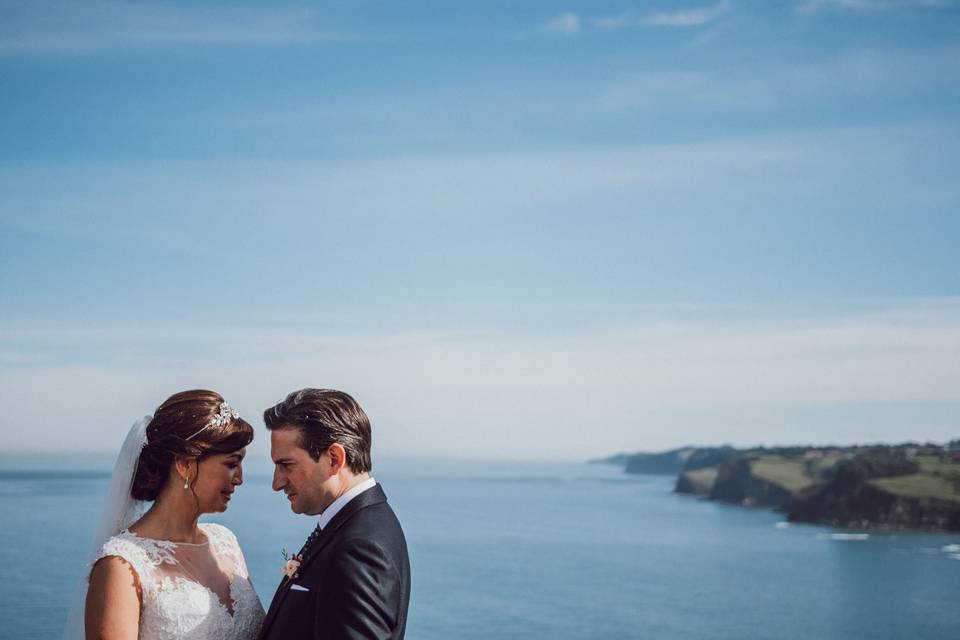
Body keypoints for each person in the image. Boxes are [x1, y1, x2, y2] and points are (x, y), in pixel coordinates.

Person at [68, 390, 265, 640]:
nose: (240, 478)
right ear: (184, 464)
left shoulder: (226, 543)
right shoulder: (122, 565)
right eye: (231, 463)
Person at [258, 388, 411, 640]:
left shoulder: (359, 548)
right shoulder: (357, 525)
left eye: (286, 465)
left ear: (333, 458)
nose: (277, 483)